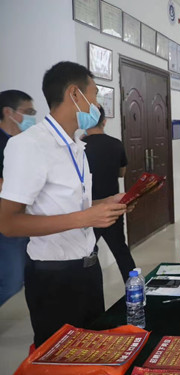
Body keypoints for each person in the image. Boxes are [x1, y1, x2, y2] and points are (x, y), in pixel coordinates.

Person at [0, 61, 129, 346]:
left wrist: (107, 203)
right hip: (54, 278)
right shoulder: (29, 146)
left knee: (91, 351)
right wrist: (86, 218)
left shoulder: (76, 146)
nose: (97, 105)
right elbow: (8, 223)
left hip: (87, 268)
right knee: (61, 358)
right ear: (74, 94)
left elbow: (67, 205)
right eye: (94, 95)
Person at [82, 105, 136, 283]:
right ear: (104, 122)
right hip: (113, 207)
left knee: (87, 251)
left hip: (88, 209)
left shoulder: (79, 146)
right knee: (121, 250)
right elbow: (122, 173)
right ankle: (134, 287)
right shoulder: (116, 144)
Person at [0, 90, 36, 306]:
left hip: (23, 218)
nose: (33, 117)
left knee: (21, 278)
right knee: (11, 283)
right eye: (28, 112)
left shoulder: (20, 142)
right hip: (5, 222)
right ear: (8, 112)